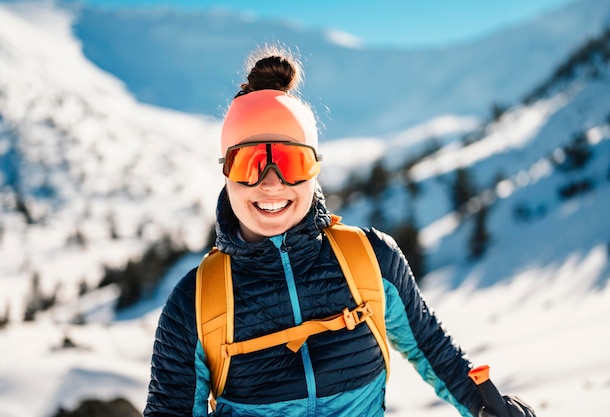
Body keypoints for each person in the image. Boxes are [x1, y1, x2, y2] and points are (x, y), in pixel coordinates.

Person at [143, 45, 536, 417]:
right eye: (249, 164)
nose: (271, 184)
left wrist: (486, 406)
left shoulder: (370, 260)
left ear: (315, 171)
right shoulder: (193, 304)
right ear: (226, 172)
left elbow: (432, 348)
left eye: (291, 162)